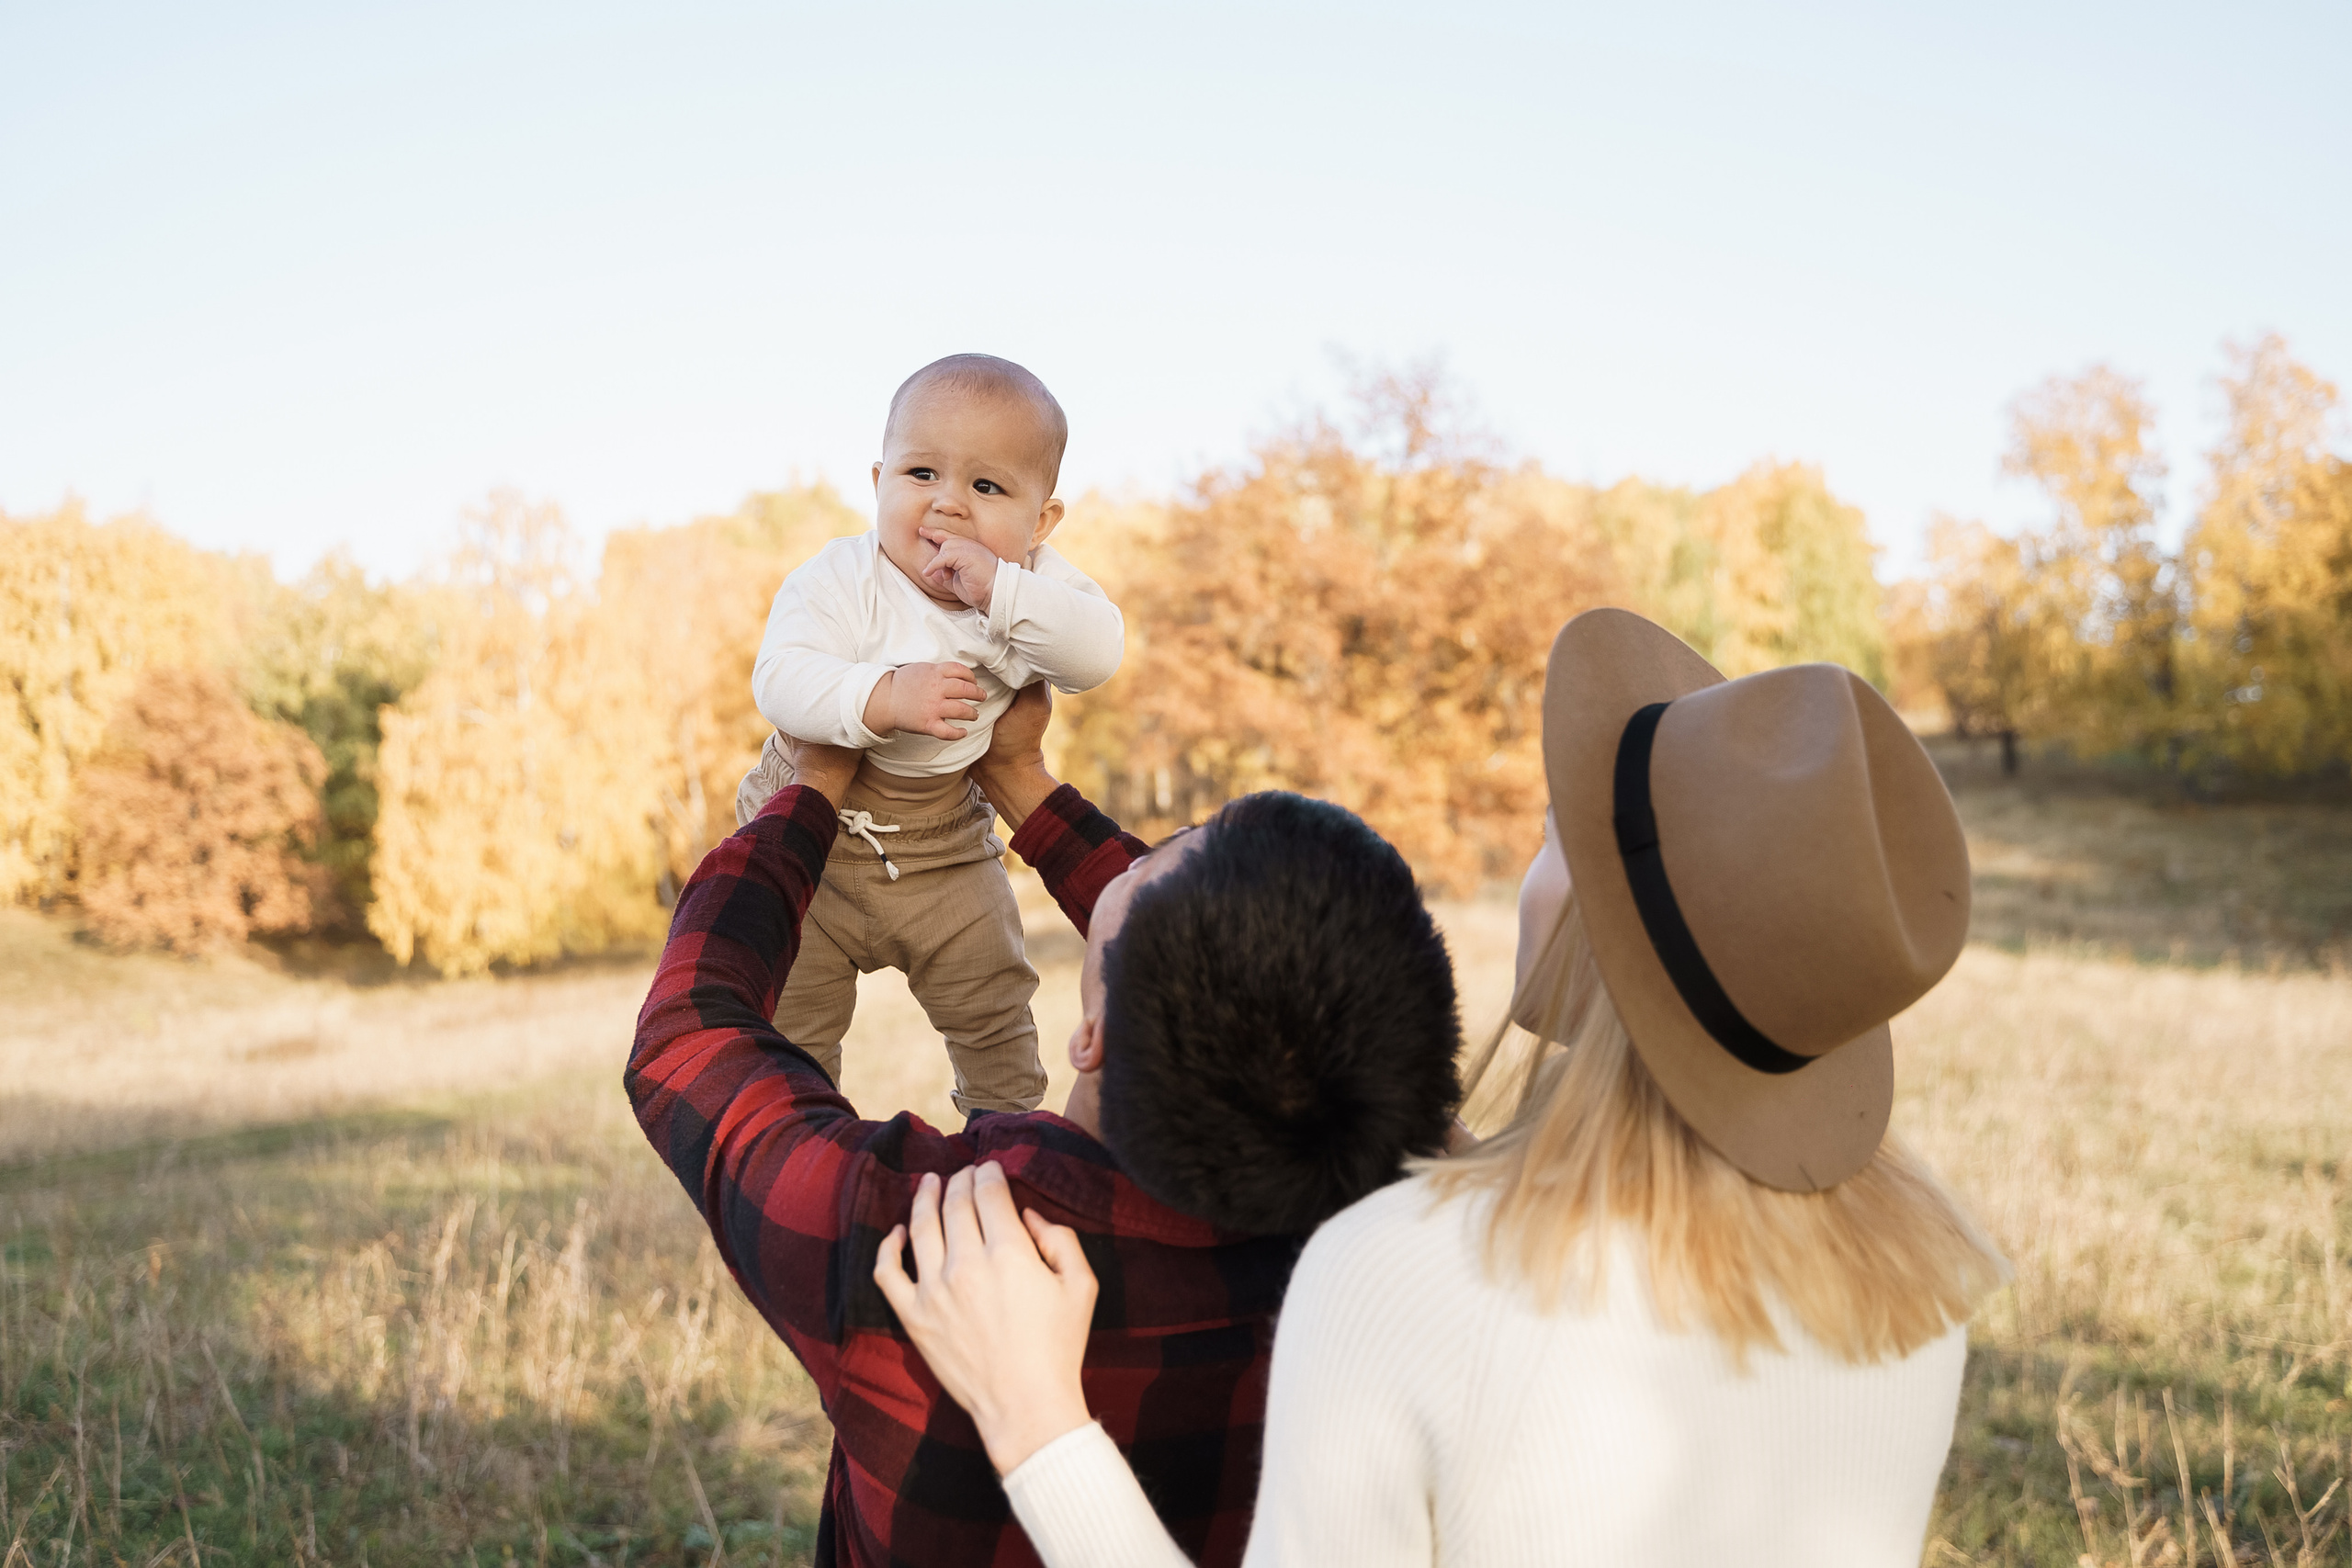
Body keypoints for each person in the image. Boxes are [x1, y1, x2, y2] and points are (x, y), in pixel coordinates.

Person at [876, 607, 2012, 1568]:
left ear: (1591, 928)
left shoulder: (1403, 1274)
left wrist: (1035, 1418)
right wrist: (1032, 793)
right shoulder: (1917, 1286)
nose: (1533, 852)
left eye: (1555, 832)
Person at [627, 680, 1464, 1568]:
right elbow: (1234, 969)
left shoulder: (932, 1244)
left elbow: (687, 1039)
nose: (1142, 855)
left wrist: (812, 789)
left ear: (1093, 1037)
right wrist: (1020, 780)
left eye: (1153, 859)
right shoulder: (1377, 1229)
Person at [737, 353, 1125, 1118]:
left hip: (947, 842)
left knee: (993, 1000)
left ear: (1041, 520)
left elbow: (1098, 653)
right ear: (879, 480)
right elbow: (778, 678)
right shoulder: (843, 577)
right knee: (789, 1024)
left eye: (985, 487)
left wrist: (1003, 592)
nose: (946, 506)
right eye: (921, 475)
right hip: (816, 832)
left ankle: (1007, 1137)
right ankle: (804, 1141)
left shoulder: (1036, 587)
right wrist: (880, 694)